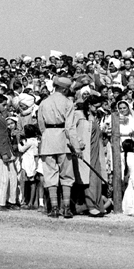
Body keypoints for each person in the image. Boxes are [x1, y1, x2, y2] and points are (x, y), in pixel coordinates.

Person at [37, 76, 79, 218]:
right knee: (66, 175)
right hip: (63, 140)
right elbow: (70, 127)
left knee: (50, 174)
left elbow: (41, 125)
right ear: (63, 89)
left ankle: (54, 208)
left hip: (48, 139)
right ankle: (66, 208)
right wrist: (76, 147)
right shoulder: (68, 102)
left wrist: (47, 136)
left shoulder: (44, 102)